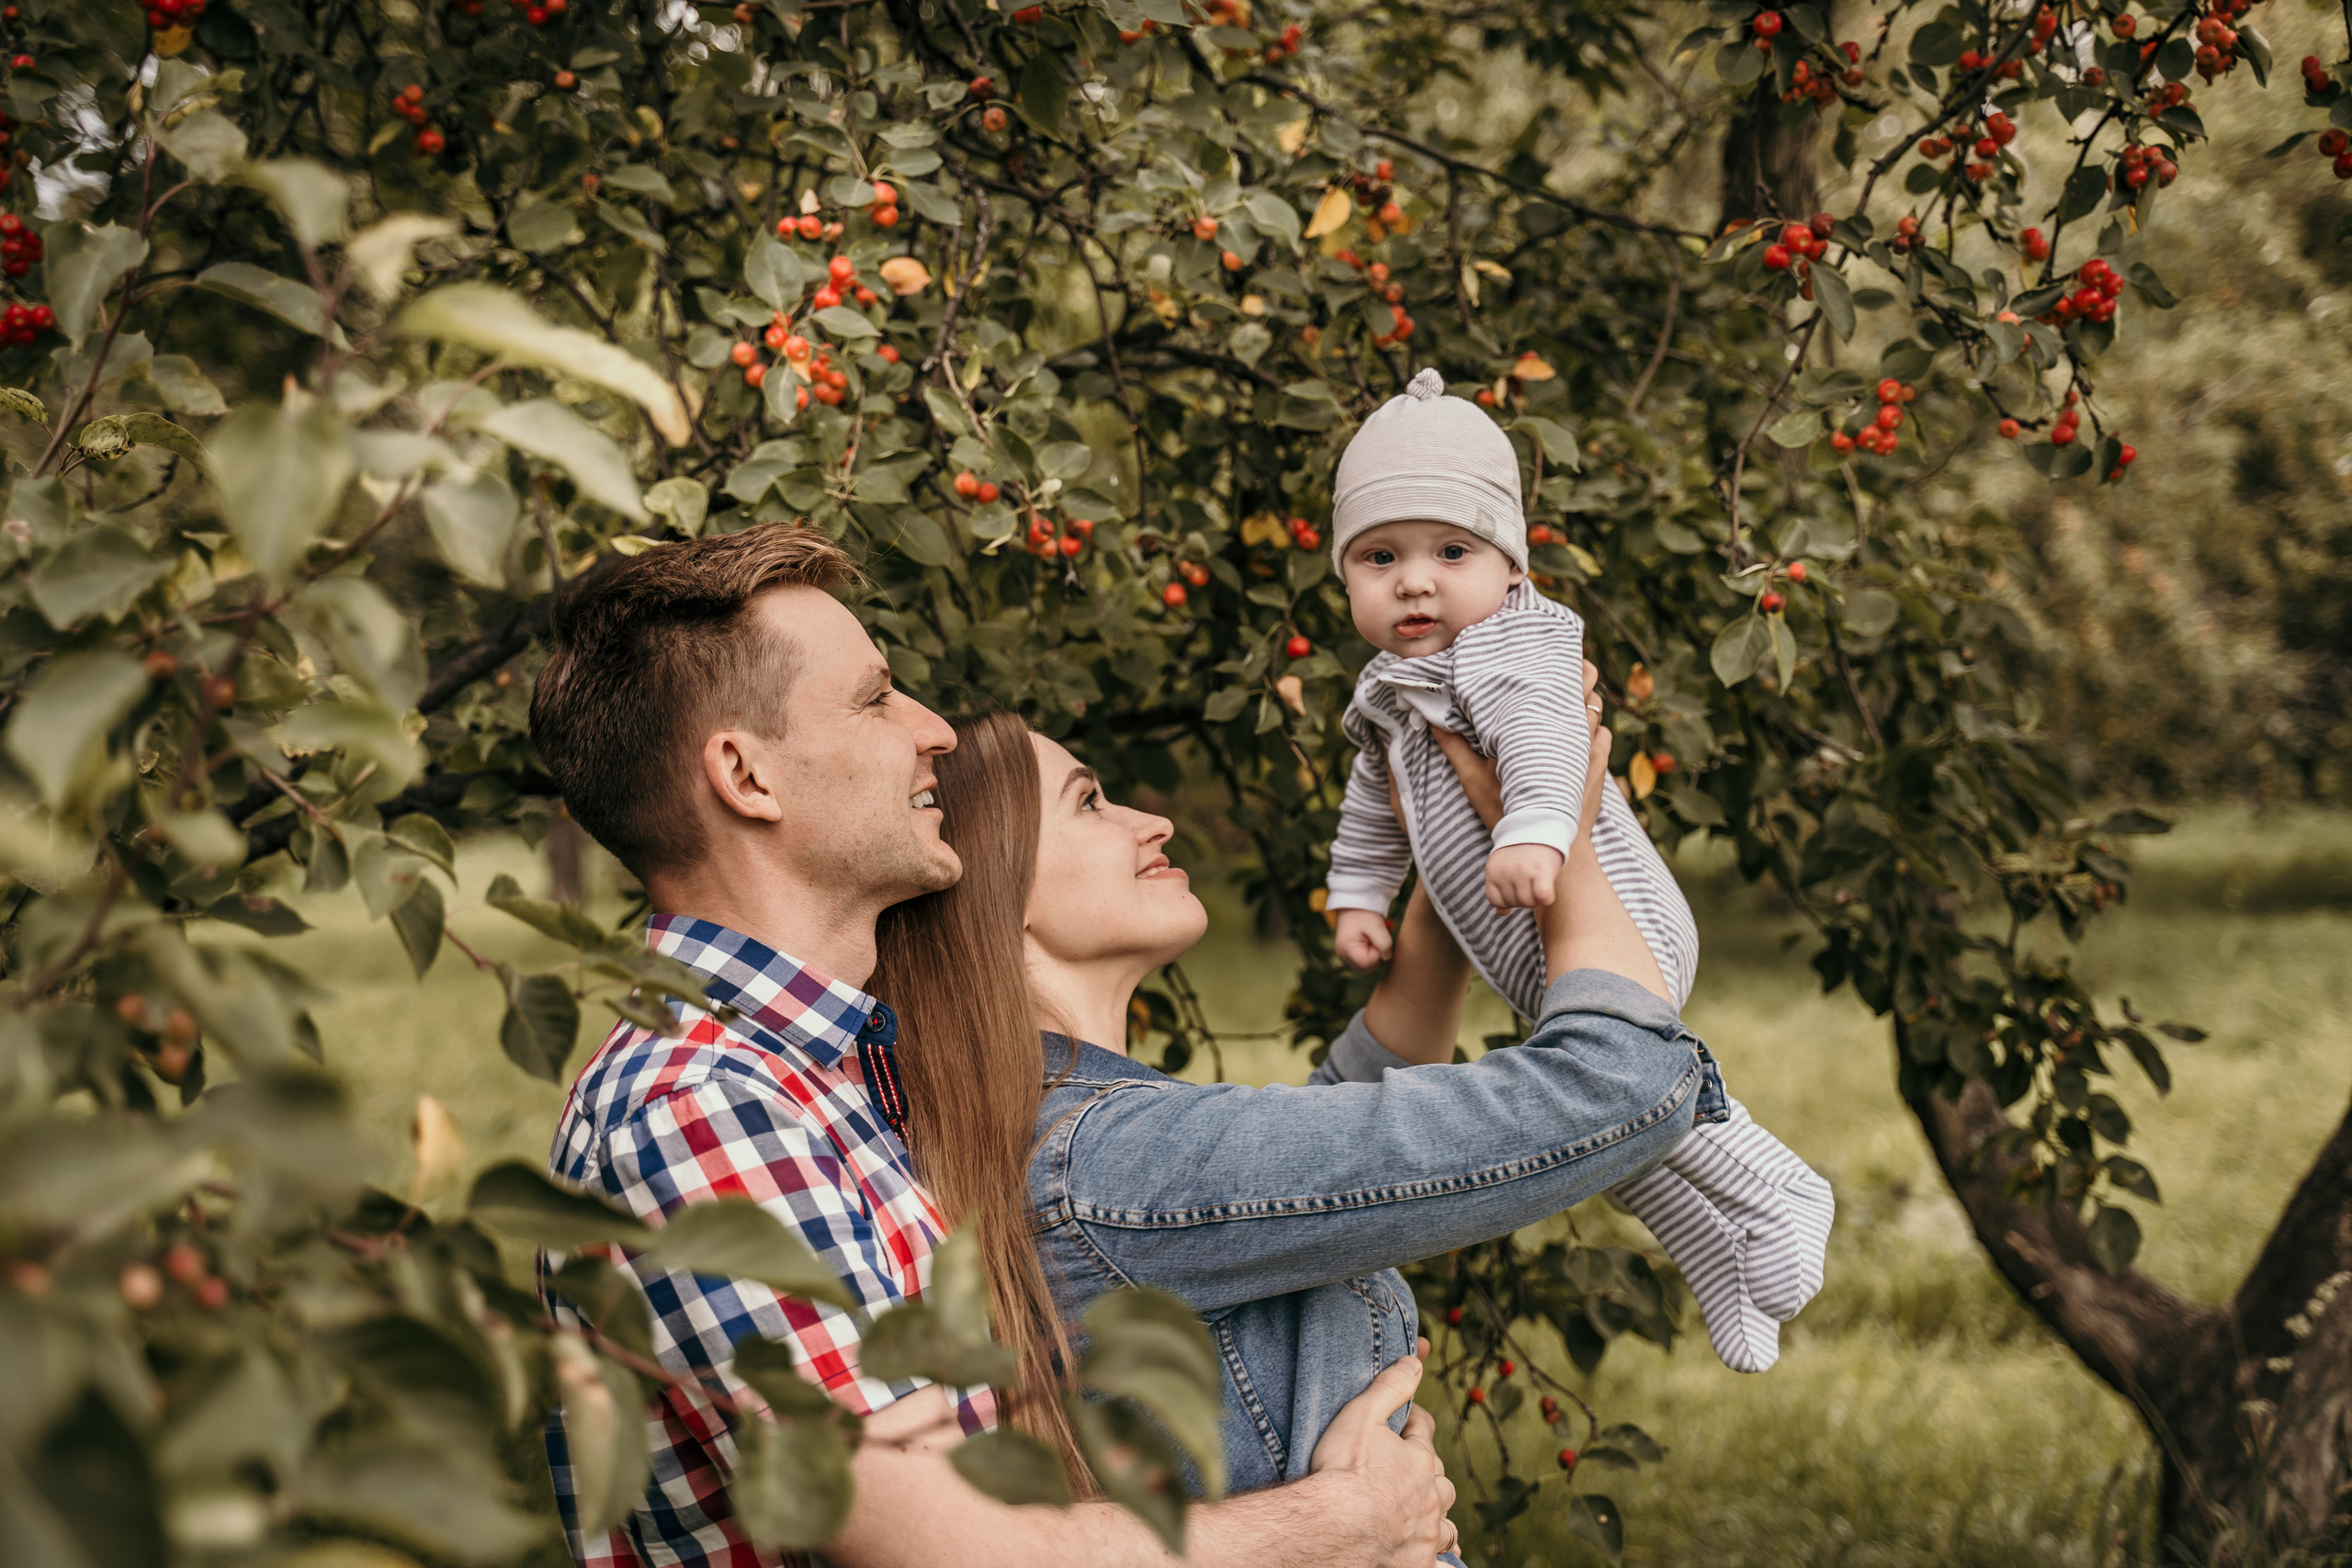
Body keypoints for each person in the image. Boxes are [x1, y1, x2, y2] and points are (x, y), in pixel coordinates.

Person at [526, 523, 1458, 1568]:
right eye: (876, 699)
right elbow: (946, 1550)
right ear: (747, 777)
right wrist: (1339, 1525)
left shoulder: (837, 1074)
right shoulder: (700, 1104)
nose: (930, 730)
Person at [868, 688, 1710, 1540]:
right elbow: (1619, 1080)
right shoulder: (1107, 1161)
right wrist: (1563, 836)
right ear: (1000, 890)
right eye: (1089, 802)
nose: (1151, 820)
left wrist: (1453, 864)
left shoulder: (1066, 1145)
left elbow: (1323, 1148)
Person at [1319, 367, 1834, 1374]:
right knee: (1582, 1109)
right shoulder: (1392, 688)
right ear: (1344, 579)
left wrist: (1536, 829)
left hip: (1606, 906)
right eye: (1379, 558)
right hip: (1513, 936)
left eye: (1450, 552)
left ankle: (1776, 1187)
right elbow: (1372, 808)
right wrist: (1356, 895)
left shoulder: (1512, 647)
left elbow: (1553, 742)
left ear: (1511, 567)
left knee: (1605, 1081)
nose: (1414, 581)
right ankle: (1712, 1251)